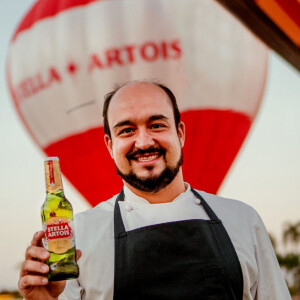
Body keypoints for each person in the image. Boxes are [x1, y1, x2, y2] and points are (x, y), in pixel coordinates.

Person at [19, 81, 291, 300]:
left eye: (156, 125)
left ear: (180, 133)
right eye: (126, 130)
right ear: (108, 145)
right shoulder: (79, 235)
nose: (144, 141)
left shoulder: (242, 219)